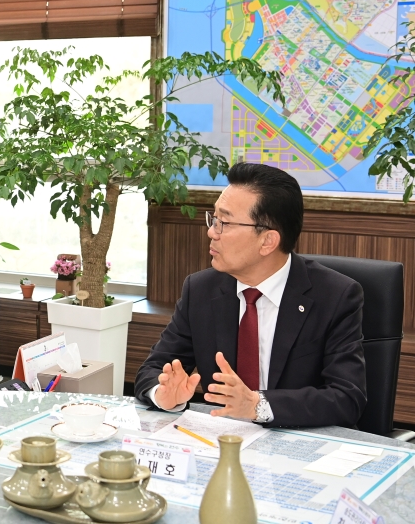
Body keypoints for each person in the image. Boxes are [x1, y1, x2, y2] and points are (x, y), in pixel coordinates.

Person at [134, 162, 366, 428]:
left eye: (225, 222)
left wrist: (257, 406)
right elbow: (153, 370)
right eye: (214, 219)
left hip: (298, 444)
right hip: (223, 443)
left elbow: (347, 398)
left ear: (267, 241)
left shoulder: (335, 296)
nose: (212, 232)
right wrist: (164, 396)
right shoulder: (200, 290)